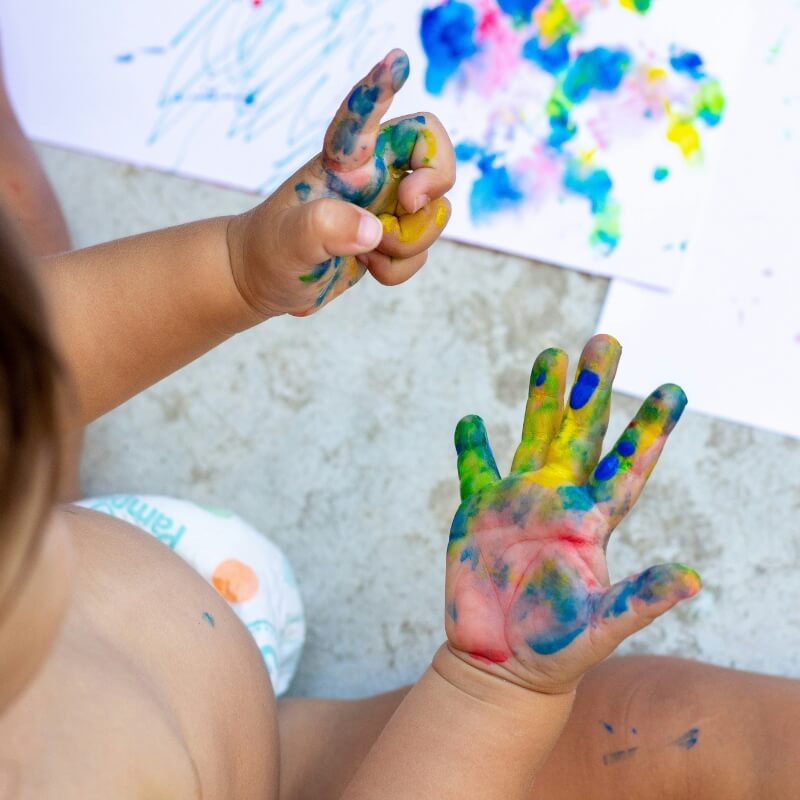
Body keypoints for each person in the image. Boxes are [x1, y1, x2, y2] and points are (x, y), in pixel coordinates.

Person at [0, 46, 798, 798]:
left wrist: (241, 266)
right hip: (270, 771)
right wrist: (493, 688)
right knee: (674, 728)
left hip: (117, 602)